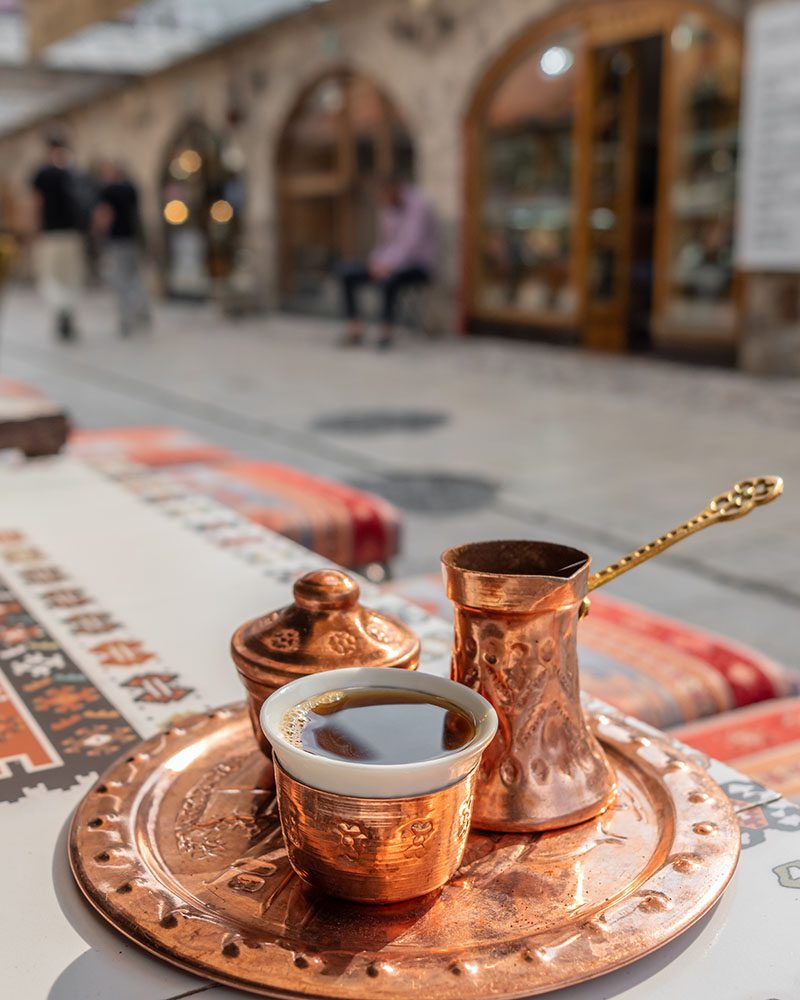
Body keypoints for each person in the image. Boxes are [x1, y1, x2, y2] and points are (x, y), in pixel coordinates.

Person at [339, 175, 438, 349]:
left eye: (384, 194)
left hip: (417, 265)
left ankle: (386, 329)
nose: (382, 199)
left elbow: (410, 245)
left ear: (395, 189)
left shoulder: (419, 206)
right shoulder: (388, 208)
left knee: (389, 279)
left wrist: (388, 266)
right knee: (347, 273)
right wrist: (376, 262)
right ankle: (356, 327)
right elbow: (385, 242)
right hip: (389, 263)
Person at [30, 135, 85, 341]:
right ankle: (67, 309)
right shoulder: (73, 172)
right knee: (71, 277)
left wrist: (35, 228)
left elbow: (37, 202)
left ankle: (62, 308)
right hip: (73, 233)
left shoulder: (42, 173)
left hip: (51, 233)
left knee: (51, 276)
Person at [93, 162, 150, 336]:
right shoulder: (131, 189)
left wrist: (98, 232)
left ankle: (126, 317)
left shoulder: (108, 191)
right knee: (134, 277)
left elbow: (104, 215)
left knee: (120, 279)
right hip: (133, 238)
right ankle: (142, 311)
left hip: (117, 240)